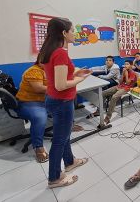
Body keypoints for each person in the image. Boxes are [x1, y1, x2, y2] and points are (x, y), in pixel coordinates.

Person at [40, 18, 91, 188]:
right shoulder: (60, 52)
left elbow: (57, 75)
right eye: (72, 30)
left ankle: (69, 161)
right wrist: (79, 79)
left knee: (64, 134)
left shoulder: (49, 50)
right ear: (64, 33)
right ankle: (54, 178)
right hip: (62, 101)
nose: (74, 33)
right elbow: (61, 85)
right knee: (59, 140)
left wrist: (76, 71)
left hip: (54, 99)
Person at [16, 56, 49, 163]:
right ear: (39, 60)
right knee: (40, 118)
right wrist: (58, 87)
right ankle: (38, 147)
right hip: (27, 102)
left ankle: (70, 126)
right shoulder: (34, 71)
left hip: (41, 100)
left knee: (64, 104)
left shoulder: (46, 70)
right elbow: (38, 88)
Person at [102, 60, 137, 124]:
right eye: (125, 64)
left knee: (114, 97)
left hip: (127, 88)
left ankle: (108, 117)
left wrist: (126, 74)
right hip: (120, 86)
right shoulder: (124, 71)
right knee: (103, 93)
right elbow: (120, 82)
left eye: (127, 64)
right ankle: (99, 110)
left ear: (131, 65)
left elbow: (128, 83)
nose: (125, 65)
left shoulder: (133, 73)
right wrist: (123, 74)